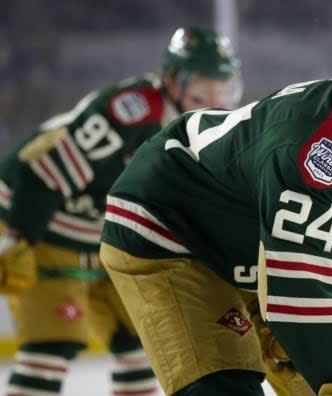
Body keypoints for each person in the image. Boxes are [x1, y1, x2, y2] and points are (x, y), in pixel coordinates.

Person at [98, 11, 332, 396]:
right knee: (230, 384)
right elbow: (298, 290)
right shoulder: (317, 152)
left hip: (248, 242)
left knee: (322, 368)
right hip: (168, 227)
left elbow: (319, 258)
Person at [0, 26, 241, 395]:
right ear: (173, 80)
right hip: (37, 218)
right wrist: (19, 239)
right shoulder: (130, 113)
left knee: (142, 338)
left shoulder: (201, 132)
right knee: (52, 343)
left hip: (100, 235)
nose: (214, 98)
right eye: (204, 85)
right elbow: (41, 177)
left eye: (222, 87)